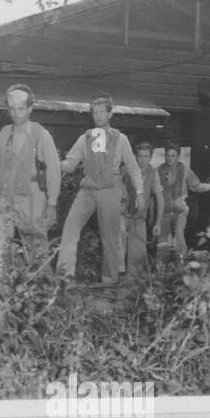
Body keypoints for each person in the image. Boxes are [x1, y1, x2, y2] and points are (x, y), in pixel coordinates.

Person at [57, 95, 145, 285]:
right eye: (94, 112)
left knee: (111, 238)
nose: (97, 116)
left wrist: (139, 192)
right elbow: (70, 164)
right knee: (70, 228)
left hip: (110, 189)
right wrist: (54, 164)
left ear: (110, 113)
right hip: (88, 190)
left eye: (101, 111)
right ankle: (65, 277)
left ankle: (109, 282)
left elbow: (133, 167)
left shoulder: (121, 139)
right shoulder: (85, 138)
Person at [0, 85, 61, 272]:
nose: (16, 114)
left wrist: (51, 204)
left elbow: (54, 171)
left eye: (21, 108)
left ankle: (43, 294)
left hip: (32, 200)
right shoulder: (3, 135)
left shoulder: (41, 135)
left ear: (30, 108)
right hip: (5, 201)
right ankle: (1, 295)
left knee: (37, 249)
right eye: (12, 109)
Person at [155, 142, 210, 263]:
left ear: (178, 156)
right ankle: (161, 269)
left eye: (173, 155)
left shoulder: (184, 170)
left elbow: (196, 186)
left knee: (179, 234)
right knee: (163, 241)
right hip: (163, 211)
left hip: (180, 210)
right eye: (168, 155)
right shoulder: (157, 171)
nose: (170, 158)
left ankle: (181, 265)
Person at [122, 139, 164, 278]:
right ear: (135, 156)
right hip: (122, 217)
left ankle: (131, 289)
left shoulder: (153, 173)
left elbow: (160, 199)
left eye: (146, 156)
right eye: (140, 156)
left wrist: (158, 223)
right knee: (117, 252)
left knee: (138, 260)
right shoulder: (126, 170)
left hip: (139, 220)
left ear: (150, 157)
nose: (142, 160)